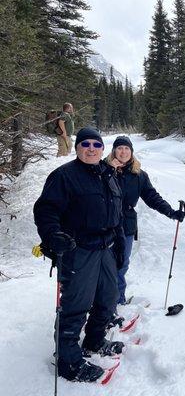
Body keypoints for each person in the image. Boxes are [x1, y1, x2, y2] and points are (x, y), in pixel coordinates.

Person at [34, 127, 126, 382]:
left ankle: (94, 342)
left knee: (108, 299)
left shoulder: (108, 174)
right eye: (85, 144)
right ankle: (68, 361)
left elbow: (115, 214)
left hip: (106, 249)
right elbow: (46, 211)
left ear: (102, 150)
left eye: (96, 145)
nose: (91, 149)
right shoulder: (64, 176)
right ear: (76, 148)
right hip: (79, 251)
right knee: (76, 306)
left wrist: (118, 244)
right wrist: (53, 237)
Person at [106, 135, 185, 306]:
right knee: (102, 265)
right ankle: (98, 301)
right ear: (114, 151)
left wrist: (171, 212)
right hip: (103, 225)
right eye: (120, 148)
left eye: (127, 148)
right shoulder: (103, 170)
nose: (123, 151)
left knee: (121, 264)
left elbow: (152, 197)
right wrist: (109, 171)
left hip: (126, 225)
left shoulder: (139, 175)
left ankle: (117, 301)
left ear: (132, 152)